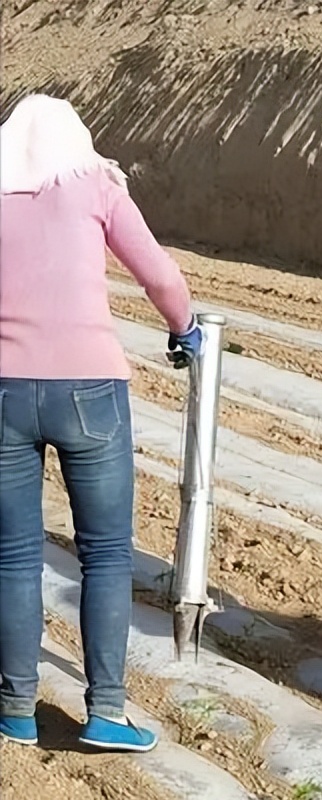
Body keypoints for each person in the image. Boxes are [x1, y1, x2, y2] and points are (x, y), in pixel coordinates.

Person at [0, 95, 202, 751]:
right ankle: (106, 713)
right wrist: (186, 330)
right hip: (90, 388)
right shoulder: (97, 186)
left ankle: (15, 710)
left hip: (3, 390)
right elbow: (161, 277)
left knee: (13, 557)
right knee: (108, 555)